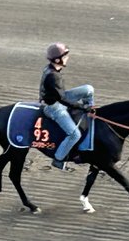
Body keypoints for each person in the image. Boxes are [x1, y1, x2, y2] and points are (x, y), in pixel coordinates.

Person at [39, 42, 94, 171]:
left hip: (58, 98)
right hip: (53, 107)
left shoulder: (52, 69)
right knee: (74, 134)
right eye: (65, 56)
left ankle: (90, 114)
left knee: (88, 89)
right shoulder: (53, 76)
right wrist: (82, 108)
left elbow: (61, 94)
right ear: (58, 59)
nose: (68, 58)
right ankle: (58, 159)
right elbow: (62, 99)